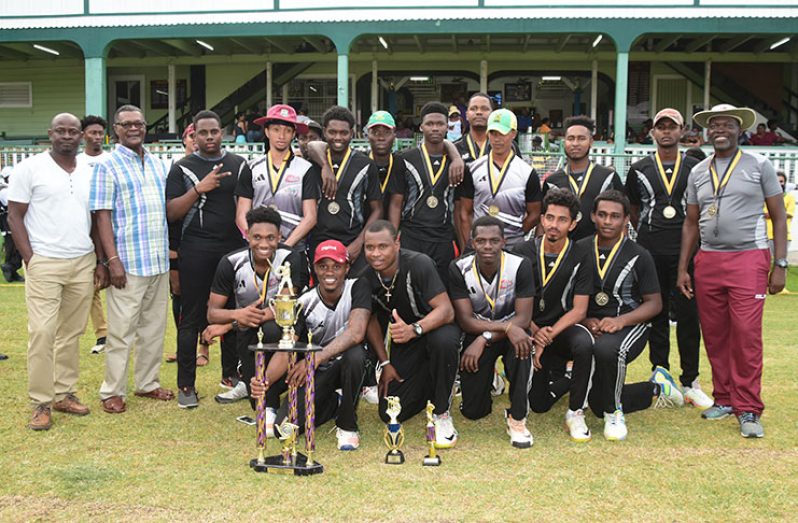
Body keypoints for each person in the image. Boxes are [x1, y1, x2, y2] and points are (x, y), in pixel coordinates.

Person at [678, 104, 788, 438]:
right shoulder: (698, 172)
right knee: (715, 334)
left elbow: (779, 216)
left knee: (745, 334)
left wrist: (779, 263)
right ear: (707, 132)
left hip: (748, 259)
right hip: (708, 260)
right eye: (714, 125)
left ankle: (749, 408)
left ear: (739, 129)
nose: (720, 129)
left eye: (727, 124)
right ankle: (724, 398)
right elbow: (691, 222)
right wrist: (683, 267)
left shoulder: (760, 165)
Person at [7, 113, 104, 430]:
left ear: (81, 136)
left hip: (82, 261)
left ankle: (64, 393)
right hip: (44, 262)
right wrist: (30, 258)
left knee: (71, 334)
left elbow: (95, 219)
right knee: (43, 333)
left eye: (72, 131)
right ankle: (41, 402)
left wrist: (99, 260)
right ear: (50, 134)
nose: (67, 135)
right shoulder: (29, 168)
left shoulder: (90, 171)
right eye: (60, 131)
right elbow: (14, 216)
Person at [625, 108, 713, 408]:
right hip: (651, 253)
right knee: (656, 316)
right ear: (652, 131)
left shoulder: (697, 166)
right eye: (660, 127)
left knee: (690, 318)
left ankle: (690, 381)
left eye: (671, 127)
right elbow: (634, 211)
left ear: (682, 130)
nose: (666, 132)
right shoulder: (638, 168)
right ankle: (660, 375)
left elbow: (704, 208)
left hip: (687, 254)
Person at [90, 104, 174, 414]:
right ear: (116, 130)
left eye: (138, 123)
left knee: (153, 328)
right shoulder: (106, 166)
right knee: (121, 331)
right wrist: (111, 260)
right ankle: (112, 390)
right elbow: (101, 216)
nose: (133, 128)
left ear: (145, 126)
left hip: (157, 260)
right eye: (126, 124)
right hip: (127, 262)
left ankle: (147, 383)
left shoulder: (157, 164)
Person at [581, 190, 684, 441]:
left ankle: (614, 412)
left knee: (607, 350)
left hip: (631, 323)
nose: (607, 221)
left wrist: (620, 321)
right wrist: (584, 319)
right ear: (593, 216)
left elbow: (655, 304)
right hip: (591, 322)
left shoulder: (640, 254)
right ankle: (658, 388)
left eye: (615, 216)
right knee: (595, 401)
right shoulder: (581, 248)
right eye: (602, 215)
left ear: (626, 219)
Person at [250, 240, 370, 450]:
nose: (329, 272)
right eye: (323, 266)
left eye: (336, 266)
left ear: (347, 268)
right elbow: (288, 348)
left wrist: (316, 357)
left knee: (356, 354)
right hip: (319, 372)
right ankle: (333, 404)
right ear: (315, 268)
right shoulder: (304, 301)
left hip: (346, 365)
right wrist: (263, 381)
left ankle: (347, 424)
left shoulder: (358, 287)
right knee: (285, 428)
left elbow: (357, 332)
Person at [166, 110, 249, 409]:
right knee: (191, 318)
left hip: (233, 251)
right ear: (194, 135)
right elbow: (172, 213)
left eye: (215, 131)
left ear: (222, 132)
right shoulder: (183, 169)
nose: (210, 137)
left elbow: (247, 206)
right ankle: (186, 385)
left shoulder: (239, 165)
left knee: (233, 315)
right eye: (203, 133)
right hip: (196, 250)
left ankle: (232, 377)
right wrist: (198, 189)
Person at [362, 220, 461, 448]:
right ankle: (432, 383)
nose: (376, 253)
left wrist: (415, 329)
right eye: (370, 247)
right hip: (405, 339)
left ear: (397, 243)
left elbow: (446, 311)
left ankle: (442, 412)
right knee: (390, 413)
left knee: (443, 341)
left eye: (383, 246)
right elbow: (370, 320)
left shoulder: (419, 263)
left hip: (435, 329)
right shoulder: (367, 277)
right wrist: (385, 362)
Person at [206, 207, 307, 429]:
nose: (264, 244)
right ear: (247, 236)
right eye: (257, 237)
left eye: (271, 238)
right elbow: (212, 313)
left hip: (287, 328)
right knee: (255, 400)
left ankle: (272, 403)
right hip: (248, 331)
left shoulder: (291, 257)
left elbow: (285, 308)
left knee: (271, 329)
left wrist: (230, 324)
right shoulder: (231, 262)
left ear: (279, 237)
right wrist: (237, 314)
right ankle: (264, 397)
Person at [513, 189, 595, 442]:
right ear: (542, 219)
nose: (554, 225)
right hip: (530, 326)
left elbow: (580, 309)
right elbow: (516, 304)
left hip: (563, 328)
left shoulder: (583, 254)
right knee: (538, 404)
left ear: (573, 223)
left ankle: (576, 411)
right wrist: (536, 333)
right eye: (549, 218)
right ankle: (570, 378)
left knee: (584, 342)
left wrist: (546, 337)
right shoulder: (522, 250)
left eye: (562, 220)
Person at [449, 216, 534, 448]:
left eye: (494, 241)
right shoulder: (458, 268)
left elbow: (524, 318)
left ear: (504, 241)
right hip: (479, 334)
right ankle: (492, 380)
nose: (488, 246)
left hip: (509, 336)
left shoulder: (520, 265)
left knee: (523, 346)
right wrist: (504, 328)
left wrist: (491, 334)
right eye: (481, 241)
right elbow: (465, 321)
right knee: (474, 412)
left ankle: (517, 419)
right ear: (472, 242)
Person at [392, 102, 463, 281]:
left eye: (440, 124)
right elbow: (396, 203)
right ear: (421, 126)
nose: (435, 128)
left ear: (447, 127)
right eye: (430, 124)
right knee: (410, 286)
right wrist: (392, 238)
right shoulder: (404, 159)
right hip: (412, 235)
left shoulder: (457, 165)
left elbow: (460, 208)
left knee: (442, 288)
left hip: (442, 237)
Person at [306, 106, 382, 273]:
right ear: (324, 132)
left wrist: (359, 242)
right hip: (319, 240)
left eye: (344, 133)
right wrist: (325, 166)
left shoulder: (365, 165)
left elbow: (377, 209)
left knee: (354, 292)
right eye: (332, 132)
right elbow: (311, 145)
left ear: (352, 134)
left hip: (351, 239)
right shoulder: (314, 162)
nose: (338, 137)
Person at [236, 104, 318, 252]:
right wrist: (257, 242)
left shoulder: (306, 169)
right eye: (276, 130)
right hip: (257, 250)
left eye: (287, 131)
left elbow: (311, 217)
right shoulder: (251, 167)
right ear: (267, 132)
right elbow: (241, 214)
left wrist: (285, 247)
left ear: (293, 134)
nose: (282, 136)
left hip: (293, 249)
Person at [456, 108, 542, 248]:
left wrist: (515, 233)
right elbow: (465, 212)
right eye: (493, 133)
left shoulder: (527, 172)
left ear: (513, 134)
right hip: (482, 246)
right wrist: (471, 245)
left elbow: (535, 213)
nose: (497, 139)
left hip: (513, 245)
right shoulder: (472, 169)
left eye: (502, 134)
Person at [543, 116, 624, 240]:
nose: (575, 143)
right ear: (564, 141)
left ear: (591, 142)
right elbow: (543, 219)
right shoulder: (552, 181)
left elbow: (622, 217)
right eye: (571, 138)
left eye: (581, 138)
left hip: (598, 249)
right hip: (563, 251)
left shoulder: (608, 177)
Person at [77, 114, 111, 355]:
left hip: (110, 227)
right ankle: (103, 335)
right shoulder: (76, 162)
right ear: (83, 135)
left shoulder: (111, 160)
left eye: (100, 133)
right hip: (85, 229)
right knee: (91, 285)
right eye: (92, 132)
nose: (96, 137)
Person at [364, 111, 407, 228]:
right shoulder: (360, 162)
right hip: (362, 230)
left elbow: (396, 205)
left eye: (386, 132)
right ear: (367, 135)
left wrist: (391, 239)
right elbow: (316, 146)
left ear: (394, 134)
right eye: (375, 132)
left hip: (392, 230)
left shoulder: (400, 163)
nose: (381, 137)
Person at [0, 167, 24, 283]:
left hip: (10, 225)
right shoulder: (5, 191)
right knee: (14, 249)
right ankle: (9, 267)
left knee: (15, 250)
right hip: (9, 226)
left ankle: (12, 271)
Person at [765, 171, 794, 255]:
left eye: (781, 181)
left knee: (781, 263)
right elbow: (763, 214)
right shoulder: (766, 198)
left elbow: (789, 214)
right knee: (767, 263)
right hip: (767, 236)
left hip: (784, 236)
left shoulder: (790, 198)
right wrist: (780, 214)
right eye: (776, 181)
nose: (779, 184)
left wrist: (772, 214)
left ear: (785, 182)